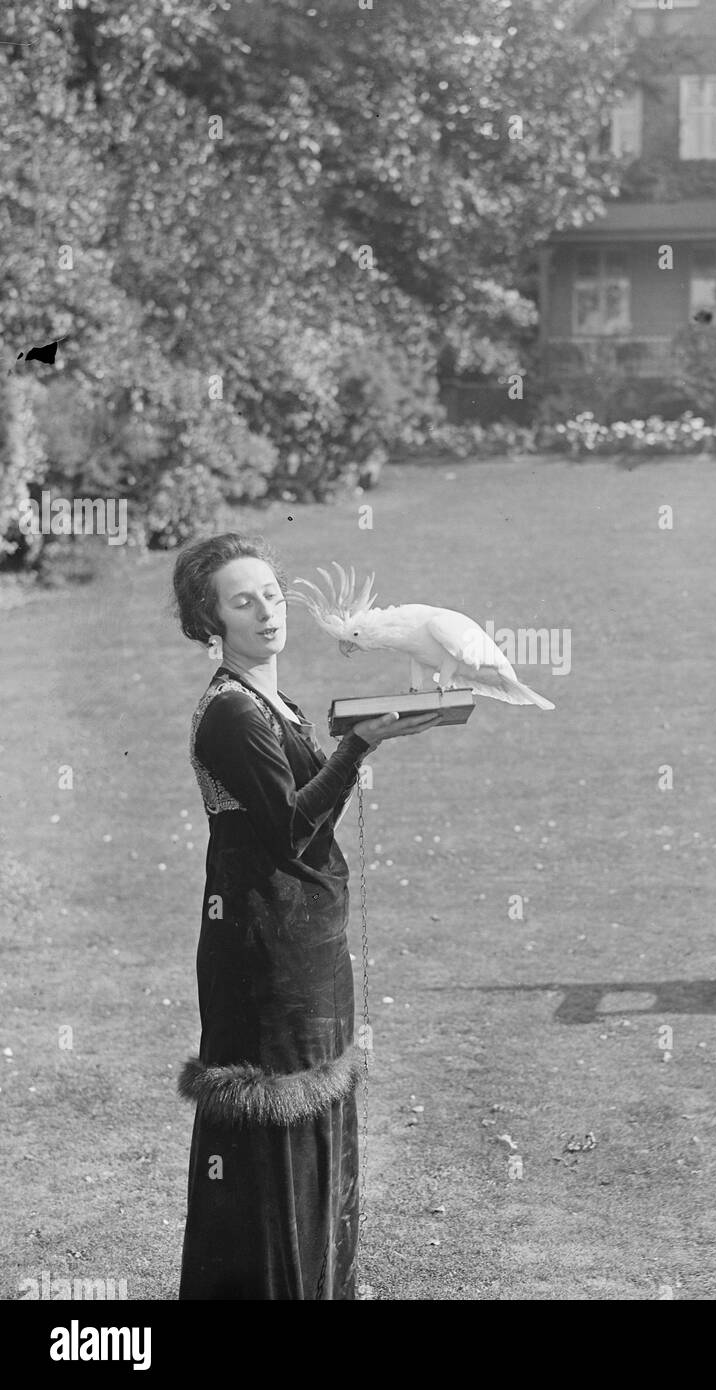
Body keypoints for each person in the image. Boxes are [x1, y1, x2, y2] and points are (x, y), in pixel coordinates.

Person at [171, 531, 440, 1299]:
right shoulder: (231, 714)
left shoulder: (272, 704)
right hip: (265, 953)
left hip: (307, 946)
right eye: (242, 600)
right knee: (274, 1129)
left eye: (272, 594)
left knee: (315, 1119)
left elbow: (300, 809)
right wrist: (356, 747)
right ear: (210, 620)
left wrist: (359, 739)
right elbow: (291, 826)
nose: (265, 611)